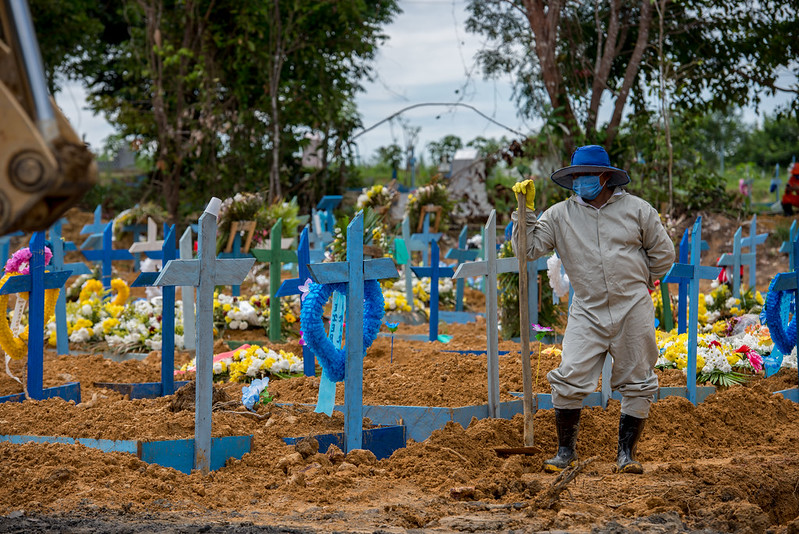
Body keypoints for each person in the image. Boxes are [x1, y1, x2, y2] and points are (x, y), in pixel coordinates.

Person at [511, 145, 675, 474]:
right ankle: (565, 452)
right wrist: (525, 212)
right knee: (570, 375)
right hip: (586, 307)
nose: (580, 182)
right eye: (575, 177)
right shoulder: (559, 216)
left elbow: (663, 254)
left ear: (604, 177)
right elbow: (526, 249)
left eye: (586, 176)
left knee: (638, 379)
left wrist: (644, 281)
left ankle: (626, 454)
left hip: (632, 305)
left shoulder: (638, 211)